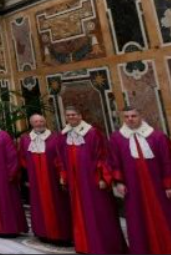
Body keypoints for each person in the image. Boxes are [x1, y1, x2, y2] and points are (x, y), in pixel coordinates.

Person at [110, 106, 171, 254]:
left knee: (169, 218)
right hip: (134, 187)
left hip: (159, 187)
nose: (130, 119)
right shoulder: (116, 138)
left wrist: (170, 185)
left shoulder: (158, 137)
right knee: (139, 219)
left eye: (133, 116)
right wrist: (119, 182)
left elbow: (169, 161)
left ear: (140, 116)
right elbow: (114, 161)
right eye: (126, 117)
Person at [59, 106, 126, 254]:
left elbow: (103, 156)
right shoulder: (64, 135)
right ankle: (84, 245)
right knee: (80, 212)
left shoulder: (93, 133)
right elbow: (62, 159)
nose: (71, 117)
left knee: (99, 212)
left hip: (92, 180)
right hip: (76, 183)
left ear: (80, 115)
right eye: (68, 115)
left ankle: (104, 246)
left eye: (74, 114)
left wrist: (103, 177)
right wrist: (64, 175)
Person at [18, 114, 71, 245]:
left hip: (53, 179)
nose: (39, 124)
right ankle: (42, 232)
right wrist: (28, 176)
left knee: (58, 205)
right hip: (35, 179)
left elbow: (62, 157)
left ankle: (60, 234)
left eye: (41, 121)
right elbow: (22, 159)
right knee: (38, 205)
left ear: (45, 122)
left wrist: (62, 175)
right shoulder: (25, 140)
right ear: (31, 124)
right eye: (36, 121)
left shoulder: (56, 137)